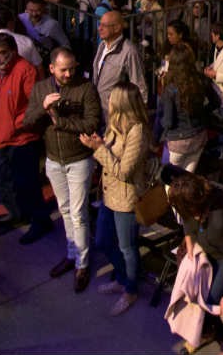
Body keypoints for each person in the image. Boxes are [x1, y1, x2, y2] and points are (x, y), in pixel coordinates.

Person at [23, 46, 101, 292]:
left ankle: (82, 264)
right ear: (52, 68)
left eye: (72, 69)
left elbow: (92, 123)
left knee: (78, 212)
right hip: (54, 159)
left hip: (78, 158)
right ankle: (72, 255)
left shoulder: (85, 88)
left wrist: (60, 121)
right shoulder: (41, 89)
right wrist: (42, 107)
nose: (68, 74)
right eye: (63, 70)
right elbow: (27, 123)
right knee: (65, 209)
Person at [82, 79, 150, 316]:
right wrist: (98, 144)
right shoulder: (113, 124)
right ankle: (122, 278)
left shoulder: (137, 131)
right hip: (109, 195)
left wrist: (98, 149)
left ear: (120, 103)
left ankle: (130, 289)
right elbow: (108, 155)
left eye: (111, 98)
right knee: (102, 240)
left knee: (127, 247)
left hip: (125, 198)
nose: (107, 101)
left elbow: (124, 171)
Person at [168, 172, 223, 349]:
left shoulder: (219, 220)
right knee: (194, 288)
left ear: (194, 207)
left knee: (214, 297)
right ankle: (207, 332)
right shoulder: (192, 200)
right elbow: (186, 220)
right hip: (208, 245)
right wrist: (189, 240)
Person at [0, 32, 50, 244]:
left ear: (13, 52)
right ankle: (19, 215)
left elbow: (34, 106)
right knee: (4, 181)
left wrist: (14, 126)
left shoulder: (25, 71)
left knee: (27, 182)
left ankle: (40, 221)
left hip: (22, 140)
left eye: (2, 54)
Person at [158, 42, 221, 172]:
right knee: (187, 181)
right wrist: (202, 113)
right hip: (199, 137)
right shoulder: (200, 79)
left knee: (168, 182)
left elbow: (168, 122)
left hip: (178, 142)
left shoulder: (171, 88)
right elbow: (216, 101)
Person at [90, 10, 148, 119]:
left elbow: (139, 84)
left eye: (104, 25)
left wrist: (140, 115)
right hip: (98, 111)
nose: (99, 28)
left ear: (117, 28)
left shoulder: (129, 51)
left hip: (117, 115)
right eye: (99, 24)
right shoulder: (101, 46)